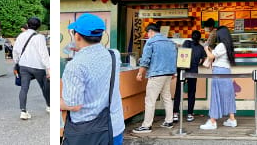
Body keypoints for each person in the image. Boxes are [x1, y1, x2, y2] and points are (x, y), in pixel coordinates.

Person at [61, 13, 125, 145]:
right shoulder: (114, 55)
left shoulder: (75, 66)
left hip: (87, 133)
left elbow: (74, 105)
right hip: (114, 127)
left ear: (77, 36)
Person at [132, 24, 176, 133]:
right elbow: (174, 58)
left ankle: (147, 125)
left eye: (147, 33)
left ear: (151, 31)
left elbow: (145, 60)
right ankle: (169, 121)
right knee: (167, 97)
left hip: (156, 74)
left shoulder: (151, 42)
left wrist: (140, 73)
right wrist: (174, 71)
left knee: (150, 100)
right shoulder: (170, 42)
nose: (147, 35)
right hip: (168, 73)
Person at [13, 17, 50, 120]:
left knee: (24, 88)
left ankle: (23, 111)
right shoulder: (40, 37)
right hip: (38, 66)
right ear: (39, 26)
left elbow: (15, 51)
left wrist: (16, 63)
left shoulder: (21, 36)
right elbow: (44, 54)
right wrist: (48, 68)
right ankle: (49, 106)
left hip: (24, 66)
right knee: (44, 87)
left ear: (27, 25)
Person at [200, 26, 237, 130]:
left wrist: (206, 49)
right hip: (226, 71)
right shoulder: (229, 45)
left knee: (216, 96)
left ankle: (212, 121)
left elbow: (211, 57)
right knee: (228, 95)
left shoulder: (221, 45)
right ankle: (232, 119)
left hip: (219, 71)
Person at [173, 30, 206, 123]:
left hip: (182, 70)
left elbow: (181, 53)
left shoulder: (186, 43)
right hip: (193, 71)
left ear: (191, 37)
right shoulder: (200, 48)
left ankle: (175, 114)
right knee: (191, 92)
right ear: (200, 38)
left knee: (178, 91)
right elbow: (201, 61)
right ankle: (190, 114)